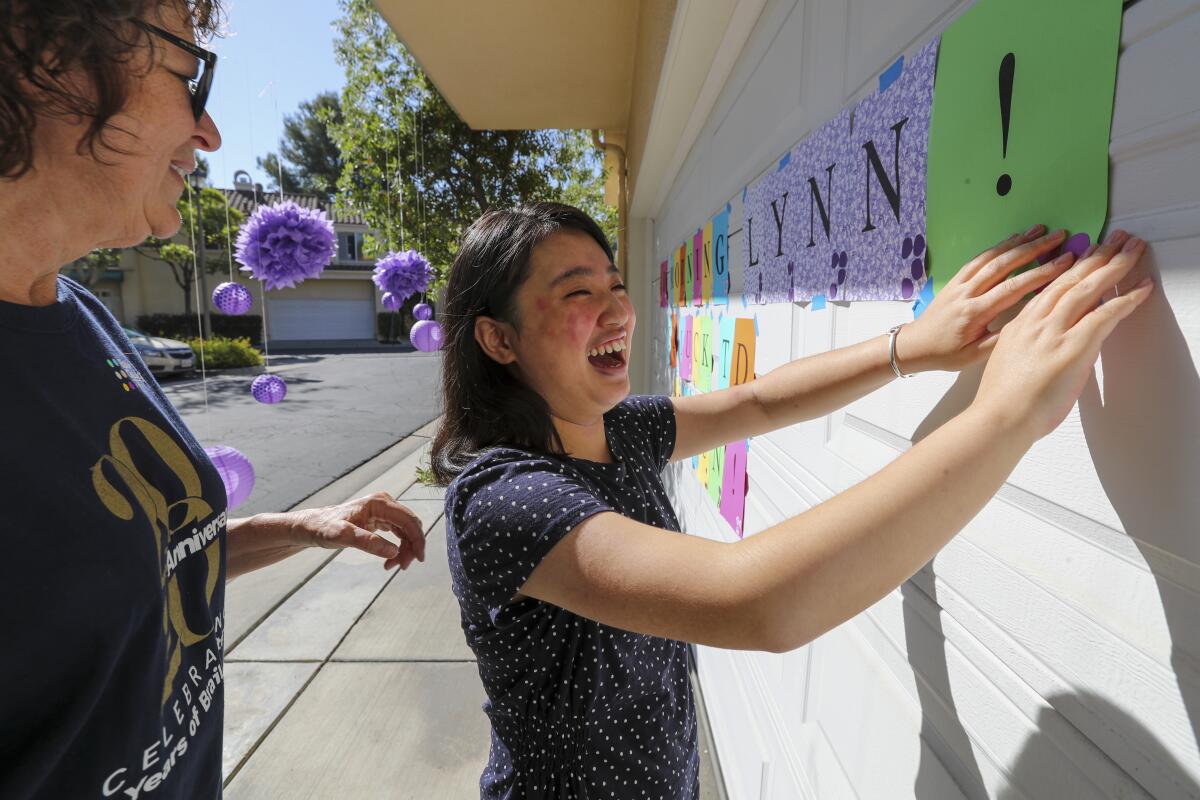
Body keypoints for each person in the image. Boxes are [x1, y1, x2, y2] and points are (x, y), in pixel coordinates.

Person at [431, 202, 1152, 798]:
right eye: (577, 292)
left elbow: (758, 400)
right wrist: (1007, 415)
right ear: (498, 339)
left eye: (616, 284)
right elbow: (758, 601)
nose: (616, 308)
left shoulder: (616, 430)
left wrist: (912, 346)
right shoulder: (505, 499)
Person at [0, 2, 425, 797]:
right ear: (44, 56)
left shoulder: (77, 312)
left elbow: (140, 563)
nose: (210, 134)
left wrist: (299, 528)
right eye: (188, 78)